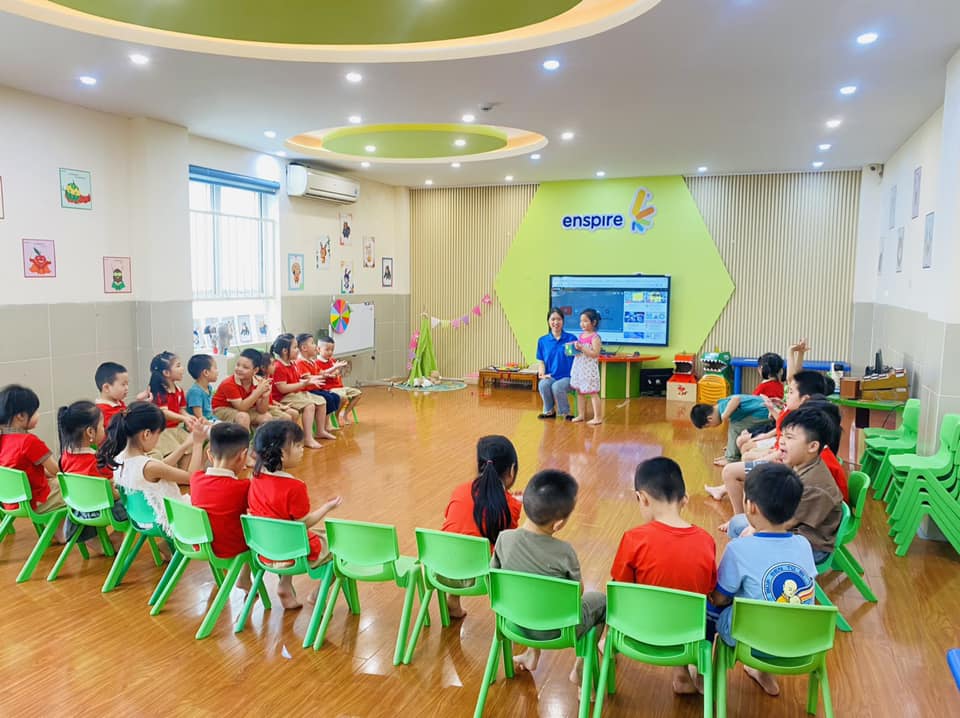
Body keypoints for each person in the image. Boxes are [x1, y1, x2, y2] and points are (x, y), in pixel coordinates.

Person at [610, 457, 717, 695]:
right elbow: (708, 590)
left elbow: (622, 589)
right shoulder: (706, 541)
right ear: (685, 500)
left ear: (642, 498)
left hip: (637, 631)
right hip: (687, 636)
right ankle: (685, 671)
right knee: (704, 606)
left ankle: (607, 645)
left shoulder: (633, 538)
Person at [710, 463, 817, 698]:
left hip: (753, 641)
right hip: (800, 641)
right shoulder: (804, 545)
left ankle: (699, 672)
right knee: (771, 606)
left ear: (751, 506)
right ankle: (762, 672)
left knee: (713, 607)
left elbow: (719, 598)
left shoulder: (739, 549)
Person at [491, 469, 606, 684]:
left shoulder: (504, 539)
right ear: (558, 524)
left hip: (513, 620)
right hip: (557, 630)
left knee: (531, 591)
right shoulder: (564, 552)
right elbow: (577, 594)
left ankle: (531, 653)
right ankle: (581, 668)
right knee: (602, 602)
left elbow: (494, 581)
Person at [723, 406, 843, 564]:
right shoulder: (799, 464)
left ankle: (751, 571)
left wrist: (754, 529)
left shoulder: (814, 487)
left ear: (813, 446)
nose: (782, 441)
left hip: (810, 546)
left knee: (741, 533)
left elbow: (784, 522)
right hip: (789, 528)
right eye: (783, 435)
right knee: (738, 524)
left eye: (790, 437)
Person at [247, 421, 342, 609]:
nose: (302, 449)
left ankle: (284, 584)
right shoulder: (295, 486)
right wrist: (327, 508)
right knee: (339, 547)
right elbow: (303, 523)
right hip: (293, 554)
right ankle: (317, 594)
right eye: (298, 446)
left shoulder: (255, 477)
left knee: (283, 528)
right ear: (282, 453)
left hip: (264, 548)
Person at [708, 370, 835, 511]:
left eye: (791, 392)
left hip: (783, 466)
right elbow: (782, 442)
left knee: (740, 469)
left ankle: (740, 512)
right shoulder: (802, 418)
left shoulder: (804, 424)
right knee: (744, 463)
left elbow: (783, 450)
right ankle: (739, 510)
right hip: (782, 460)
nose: (787, 395)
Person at [441, 435, 523, 618]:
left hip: (442, 568)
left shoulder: (460, 490)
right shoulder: (511, 505)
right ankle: (513, 613)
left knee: (461, 536)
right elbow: (506, 544)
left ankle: (452, 600)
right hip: (482, 576)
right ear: (511, 470)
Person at [97, 402, 205, 536]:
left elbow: (161, 466)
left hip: (144, 519)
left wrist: (184, 446)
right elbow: (191, 478)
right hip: (170, 520)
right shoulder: (149, 467)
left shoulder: (120, 458)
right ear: (147, 434)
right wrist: (198, 444)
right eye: (158, 434)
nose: (158, 439)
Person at [189, 422, 253, 590]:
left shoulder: (196, 479)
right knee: (257, 530)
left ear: (209, 454)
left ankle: (244, 578)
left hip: (200, 543)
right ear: (243, 455)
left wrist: (197, 444)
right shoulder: (243, 487)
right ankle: (245, 577)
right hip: (229, 548)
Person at [57, 401, 127, 547]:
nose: (104, 430)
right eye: (102, 426)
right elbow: (111, 495)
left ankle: (96, 540)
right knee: (133, 500)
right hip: (99, 511)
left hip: (78, 509)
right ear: (90, 432)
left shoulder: (65, 456)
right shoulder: (94, 461)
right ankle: (117, 536)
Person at [0, 385, 66, 521]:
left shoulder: (3, 439)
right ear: (20, 416)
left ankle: (57, 530)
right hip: (35, 501)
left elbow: (26, 472)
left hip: (11, 502)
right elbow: (56, 470)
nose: (38, 415)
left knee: (55, 483)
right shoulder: (29, 441)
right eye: (35, 411)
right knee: (75, 489)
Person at [269, 334, 334, 448]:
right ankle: (308, 438)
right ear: (285, 351)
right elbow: (282, 389)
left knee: (322, 401)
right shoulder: (278, 366)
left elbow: (297, 379)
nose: (297, 350)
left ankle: (320, 431)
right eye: (295, 347)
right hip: (283, 397)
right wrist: (303, 384)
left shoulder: (292, 363)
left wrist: (309, 380)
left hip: (295, 394)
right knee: (310, 405)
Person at [690, 393, 771, 465]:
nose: (712, 427)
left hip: (764, 412)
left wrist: (725, 415)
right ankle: (731, 453)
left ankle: (732, 459)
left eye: (708, 426)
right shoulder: (721, 403)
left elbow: (736, 399)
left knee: (735, 427)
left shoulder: (722, 408)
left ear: (710, 419)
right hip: (764, 410)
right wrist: (730, 447)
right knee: (736, 425)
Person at [149, 351, 201, 462]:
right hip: (163, 432)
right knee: (174, 454)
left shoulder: (178, 390)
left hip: (176, 429)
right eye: (178, 366)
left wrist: (189, 418)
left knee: (190, 448)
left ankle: (184, 473)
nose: (182, 368)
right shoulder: (160, 391)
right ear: (166, 373)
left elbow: (180, 409)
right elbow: (164, 413)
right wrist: (184, 418)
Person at [211, 348, 279, 429]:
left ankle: (258, 437)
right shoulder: (228, 383)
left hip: (243, 408)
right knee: (243, 417)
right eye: (238, 365)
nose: (239, 369)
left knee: (267, 417)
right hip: (221, 409)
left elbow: (262, 411)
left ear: (255, 370)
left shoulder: (258, 381)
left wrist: (265, 397)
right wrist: (258, 392)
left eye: (245, 367)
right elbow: (241, 407)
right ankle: (243, 437)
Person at [535, 307, 578, 419]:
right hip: (552, 376)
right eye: (553, 319)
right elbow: (541, 361)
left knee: (557, 386)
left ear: (563, 321)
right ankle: (549, 411)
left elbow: (577, 359)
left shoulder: (571, 338)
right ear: (548, 321)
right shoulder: (542, 341)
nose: (556, 322)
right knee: (543, 384)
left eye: (559, 319)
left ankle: (565, 413)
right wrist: (542, 374)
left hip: (569, 377)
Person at [296, 333, 341, 434]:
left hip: (316, 389)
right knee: (328, 398)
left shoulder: (311, 361)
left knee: (335, 397)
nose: (315, 346)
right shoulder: (300, 362)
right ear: (304, 348)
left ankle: (326, 424)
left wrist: (334, 368)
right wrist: (325, 376)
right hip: (309, 391)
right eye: (312, 343)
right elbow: (308, 379)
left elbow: (322, 373)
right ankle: (323, 427)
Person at [316, 336, 362, 426]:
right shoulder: (316, 363)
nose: (330, 352)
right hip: (328, 389)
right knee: (343, 397)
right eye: (327, 350)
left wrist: (337, 371)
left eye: (332, 350)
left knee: (358, 393)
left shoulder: (332, 360)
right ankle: (336, 416)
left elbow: (337, 372)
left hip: (339, 387)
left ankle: (344, 414)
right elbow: (320, 376)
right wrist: (331, 373)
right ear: (318, 349)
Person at [569, 308, 603, 425]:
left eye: (585, 321)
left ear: (594, 322)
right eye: (581, 321)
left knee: (593, 393)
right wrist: (574, 348)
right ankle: (581, 415)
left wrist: (582, 347)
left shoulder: (595, 337)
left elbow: (595, 354)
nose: (582, 324)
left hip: (589, 369)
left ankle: (598, 417)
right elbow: (580, 351)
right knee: (579, 391)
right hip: (580, 367)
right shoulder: (581, 335)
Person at [95, 361, 150, 428]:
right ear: (106, 388)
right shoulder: (102, 412)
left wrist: (140, 403)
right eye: (123, 384)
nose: (127, 388)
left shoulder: (118, 402)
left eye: (127, 384)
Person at [186, 354, 219, 423]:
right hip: (198, 424)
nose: (217, 371)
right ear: (206, 372)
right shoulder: (195, 392)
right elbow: (199, 417)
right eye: (215, 368)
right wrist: (211, 425)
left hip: (210, 420)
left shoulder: (209, 387)